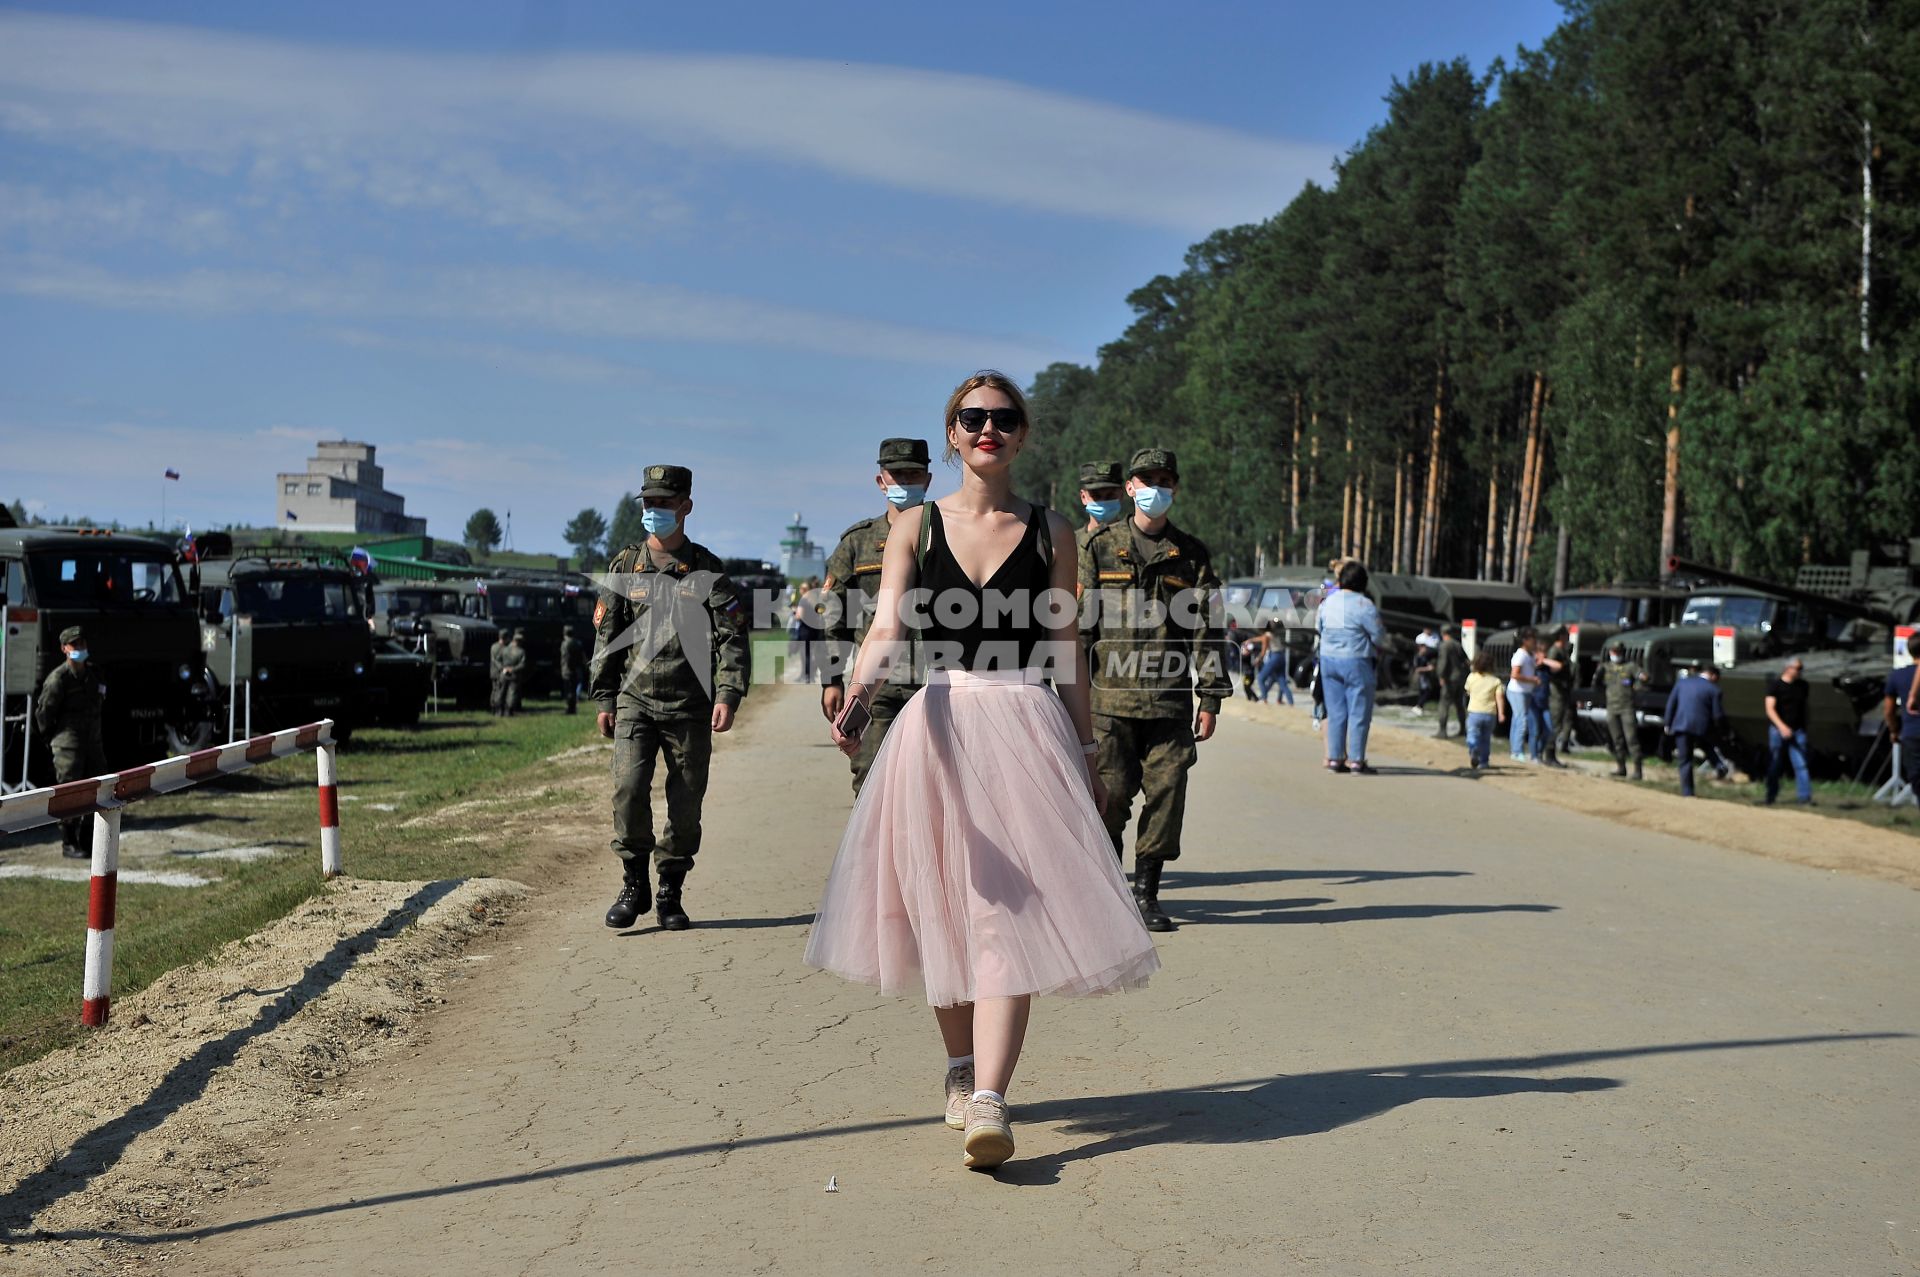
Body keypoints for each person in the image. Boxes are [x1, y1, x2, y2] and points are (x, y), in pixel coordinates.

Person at [807, 370, 1157, 1173]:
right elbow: (887, 624)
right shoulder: (917, 529)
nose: (988, 427)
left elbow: (1067, 648)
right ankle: (961, 1066)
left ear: (1022, 434)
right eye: (973, 417)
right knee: (945, 913)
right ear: (954, 435)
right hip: (937, 724)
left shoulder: (1051, 531)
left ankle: (992, 1098)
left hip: (1026, 724)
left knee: (1009, 917)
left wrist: (1086, 749)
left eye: (1003, 417)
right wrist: (859, 701)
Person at [1078, 446, 1233, 931]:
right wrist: (1066, 696)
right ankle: (1105, 893)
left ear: (1176, 488)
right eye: (1146, 481)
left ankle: (1147, 894)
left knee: (1168, 797)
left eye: (1164, 480)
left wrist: (1210, 698)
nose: (1155, 489)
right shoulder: (1100, 547)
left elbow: (1209, 630)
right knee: (1112, 799)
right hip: (1109, 701)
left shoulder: (1191, 555)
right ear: (1131, 488)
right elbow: (1080, 630)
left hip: (1168, 704)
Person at [592, 464, 751, 932]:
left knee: (685, 806)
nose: (654, 510)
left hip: (691, 705)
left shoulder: (707, 570)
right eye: (648, 502)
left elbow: (733, 638)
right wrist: (604, 698)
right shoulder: (625, 566)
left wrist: (729, 692)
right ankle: (634, 883)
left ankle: (669, 892)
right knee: (626, 791)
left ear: (685, 506)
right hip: (635, 701)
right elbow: (607, 635)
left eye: (664, 502)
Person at [821, 437, 933, 793]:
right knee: (872, 784)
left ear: (928, 479)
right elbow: (833, 616)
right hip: (877, 687)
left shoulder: (949, 532)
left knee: (937, 788)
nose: (904, 482)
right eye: (896, 474)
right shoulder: (856, 543)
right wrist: (831, 680)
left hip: (937, 682)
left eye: (913, 475)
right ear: (880, 480)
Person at [36, 626, 107, 859]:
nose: (79, 649)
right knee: (70, 793)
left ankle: (87, 840)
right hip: (69, 745)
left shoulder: (94, 673)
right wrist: (51, 740)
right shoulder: (59, 679)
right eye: (74, 645)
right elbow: (44, 713)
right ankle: (69, 842)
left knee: (98, 790)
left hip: (93, 743)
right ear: (64, 649)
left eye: (82, 644)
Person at [1316, 559, 1387, 774]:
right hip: (1357, 660)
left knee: (1336, 711)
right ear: (1363, 583)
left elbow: (1319, 628)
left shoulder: (1328, 602)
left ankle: (1335, 758)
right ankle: (1356, 760)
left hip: (1328, 659)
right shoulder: (1364, 604)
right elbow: (1379, 636)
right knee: (1358, 712)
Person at [1663, 666, 1728, 798]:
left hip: (1681, 725)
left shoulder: (1682, 683)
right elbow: (1718, 715)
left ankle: (1688, 792)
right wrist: (1722, 730)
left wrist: (1667, 723)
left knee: (1685, 760)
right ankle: (1719, 765)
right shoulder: (1714, 690)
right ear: (1714, 676)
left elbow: (1671, 704)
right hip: (1701, 727)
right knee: (1707, 746)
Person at [1763, 656, 1814, 806]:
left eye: (1801, 669)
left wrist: (1806, 725)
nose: (1800, 672)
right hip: (1778, 731)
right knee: (1775, 763)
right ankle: (1770, 796)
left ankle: (1804, 797)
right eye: (1798, 668)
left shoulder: (1803, 686)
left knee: (1801, 764)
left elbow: (1806, 707)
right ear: (1788, 668)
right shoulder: (1775, 686)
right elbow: (1770, 709)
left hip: (1798, 731)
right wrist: (1782, 727)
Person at [1597, 639, 1648, 779]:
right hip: (1612, 708)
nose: (1615, 654)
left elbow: (1643, 677)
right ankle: (1621, 767)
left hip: (1626, 708)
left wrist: (1638, 685)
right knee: (1617, 740)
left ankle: (1637, 770)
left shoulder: (1630, 666)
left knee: (1631, 739)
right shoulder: (1606, 667)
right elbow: (1597, 683)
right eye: (1613, 651)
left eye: (1618, 651)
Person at [1462, 646, 1507, 770]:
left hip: (1474, 712)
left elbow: (1467, 691)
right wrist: (1501, 713)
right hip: (1489, 713)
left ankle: (1473, 749)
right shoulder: (1496, 681)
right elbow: (1500, 698)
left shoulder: (1472, 677)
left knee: (1472, 735)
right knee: (1486, 739)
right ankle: (1484, 762)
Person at [1075, 459, 1125, 556]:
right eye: (1096, 496)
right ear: (1083, 497)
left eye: (1110, 496)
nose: (1103, 501)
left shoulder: (1133, 540)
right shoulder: (1070, 543)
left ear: (1121, 495)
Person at [1539, 627, 1574, 768]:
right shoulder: (1555, 651)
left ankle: (1551, 754)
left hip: (1562, 691)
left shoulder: (1563, 650)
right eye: (1566, 635)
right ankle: (1549, 754)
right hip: (1556, 692)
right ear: (1561, 636)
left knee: (1559, 723)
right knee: (1554, 723)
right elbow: (1551, 668)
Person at [1508, 628, 1543, 763]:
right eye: (1532, 639)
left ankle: (1514, 749)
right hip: (1518, 691)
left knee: (1517, 720)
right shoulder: (1520, 655)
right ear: (1525, 641)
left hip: (1525, 691)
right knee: (1522, 720)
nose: (1535, 642)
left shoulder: (1529, 654)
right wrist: (1532, 680)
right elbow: (1515, 674)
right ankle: (1517, 751)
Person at [1887, 658, 1920, 802]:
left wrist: (1894, 730)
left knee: (1917, 779)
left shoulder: (1897, 675)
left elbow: (1889, 711)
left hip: (1911, 733)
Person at [1432, 624, 1468, 739]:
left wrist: (1441, 676)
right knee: (1459, 705)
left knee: (1444, 704)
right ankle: (1463, 729)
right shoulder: (1457, 644)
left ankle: (1442, 731)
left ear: (1442, 633)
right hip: (1460, 678)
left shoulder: (1444, 646)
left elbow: (1443, 662)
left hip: (1449, 679)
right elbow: (1466, 660)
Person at [1257, 617, 1294, 705]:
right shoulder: (1272, 633)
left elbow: (1263, 651)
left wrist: (1258, 659)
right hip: (1282, 656)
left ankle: (1264, 698)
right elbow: (1260, 638)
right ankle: (1290, 702)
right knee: (1282, 680)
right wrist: (1251, 640)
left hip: (1275, 656)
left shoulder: (1266, 636)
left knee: (1261, 678)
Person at [498, 628, 529, 717]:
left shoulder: (505, 649)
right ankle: (509, 711)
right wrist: (513, 669)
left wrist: (503, 668)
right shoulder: (521, 652)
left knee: (501, 692)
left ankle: (500, 710)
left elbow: (498, 660)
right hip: (514, 675)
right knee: (511, 693)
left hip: (503, 673)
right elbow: (522, 665)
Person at [1411, 626, 1439, 714]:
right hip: (1421, 677)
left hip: (1425, 675)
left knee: (1425, 690)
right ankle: (1418, 706)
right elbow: (1417, 669)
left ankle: (1419, 706)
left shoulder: (1424, 657)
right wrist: (1428, 668)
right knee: (1425, 690)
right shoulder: (1417, 657)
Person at [559, 627, 585, 715]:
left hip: (567, 670)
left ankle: (569, 708)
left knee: (568, 690)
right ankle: (572, 708)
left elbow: (565, 658)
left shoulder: (565, 644)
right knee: (573, 690)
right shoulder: (577, 643)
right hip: (575, 669)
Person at [488, 630, 512, 716]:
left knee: (494, 690)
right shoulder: (504, 648)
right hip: (500, 673)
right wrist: (503, 669)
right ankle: (498, 709)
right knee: (499, 691)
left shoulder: (493, 646)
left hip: (493, 672)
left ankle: (493, 707)